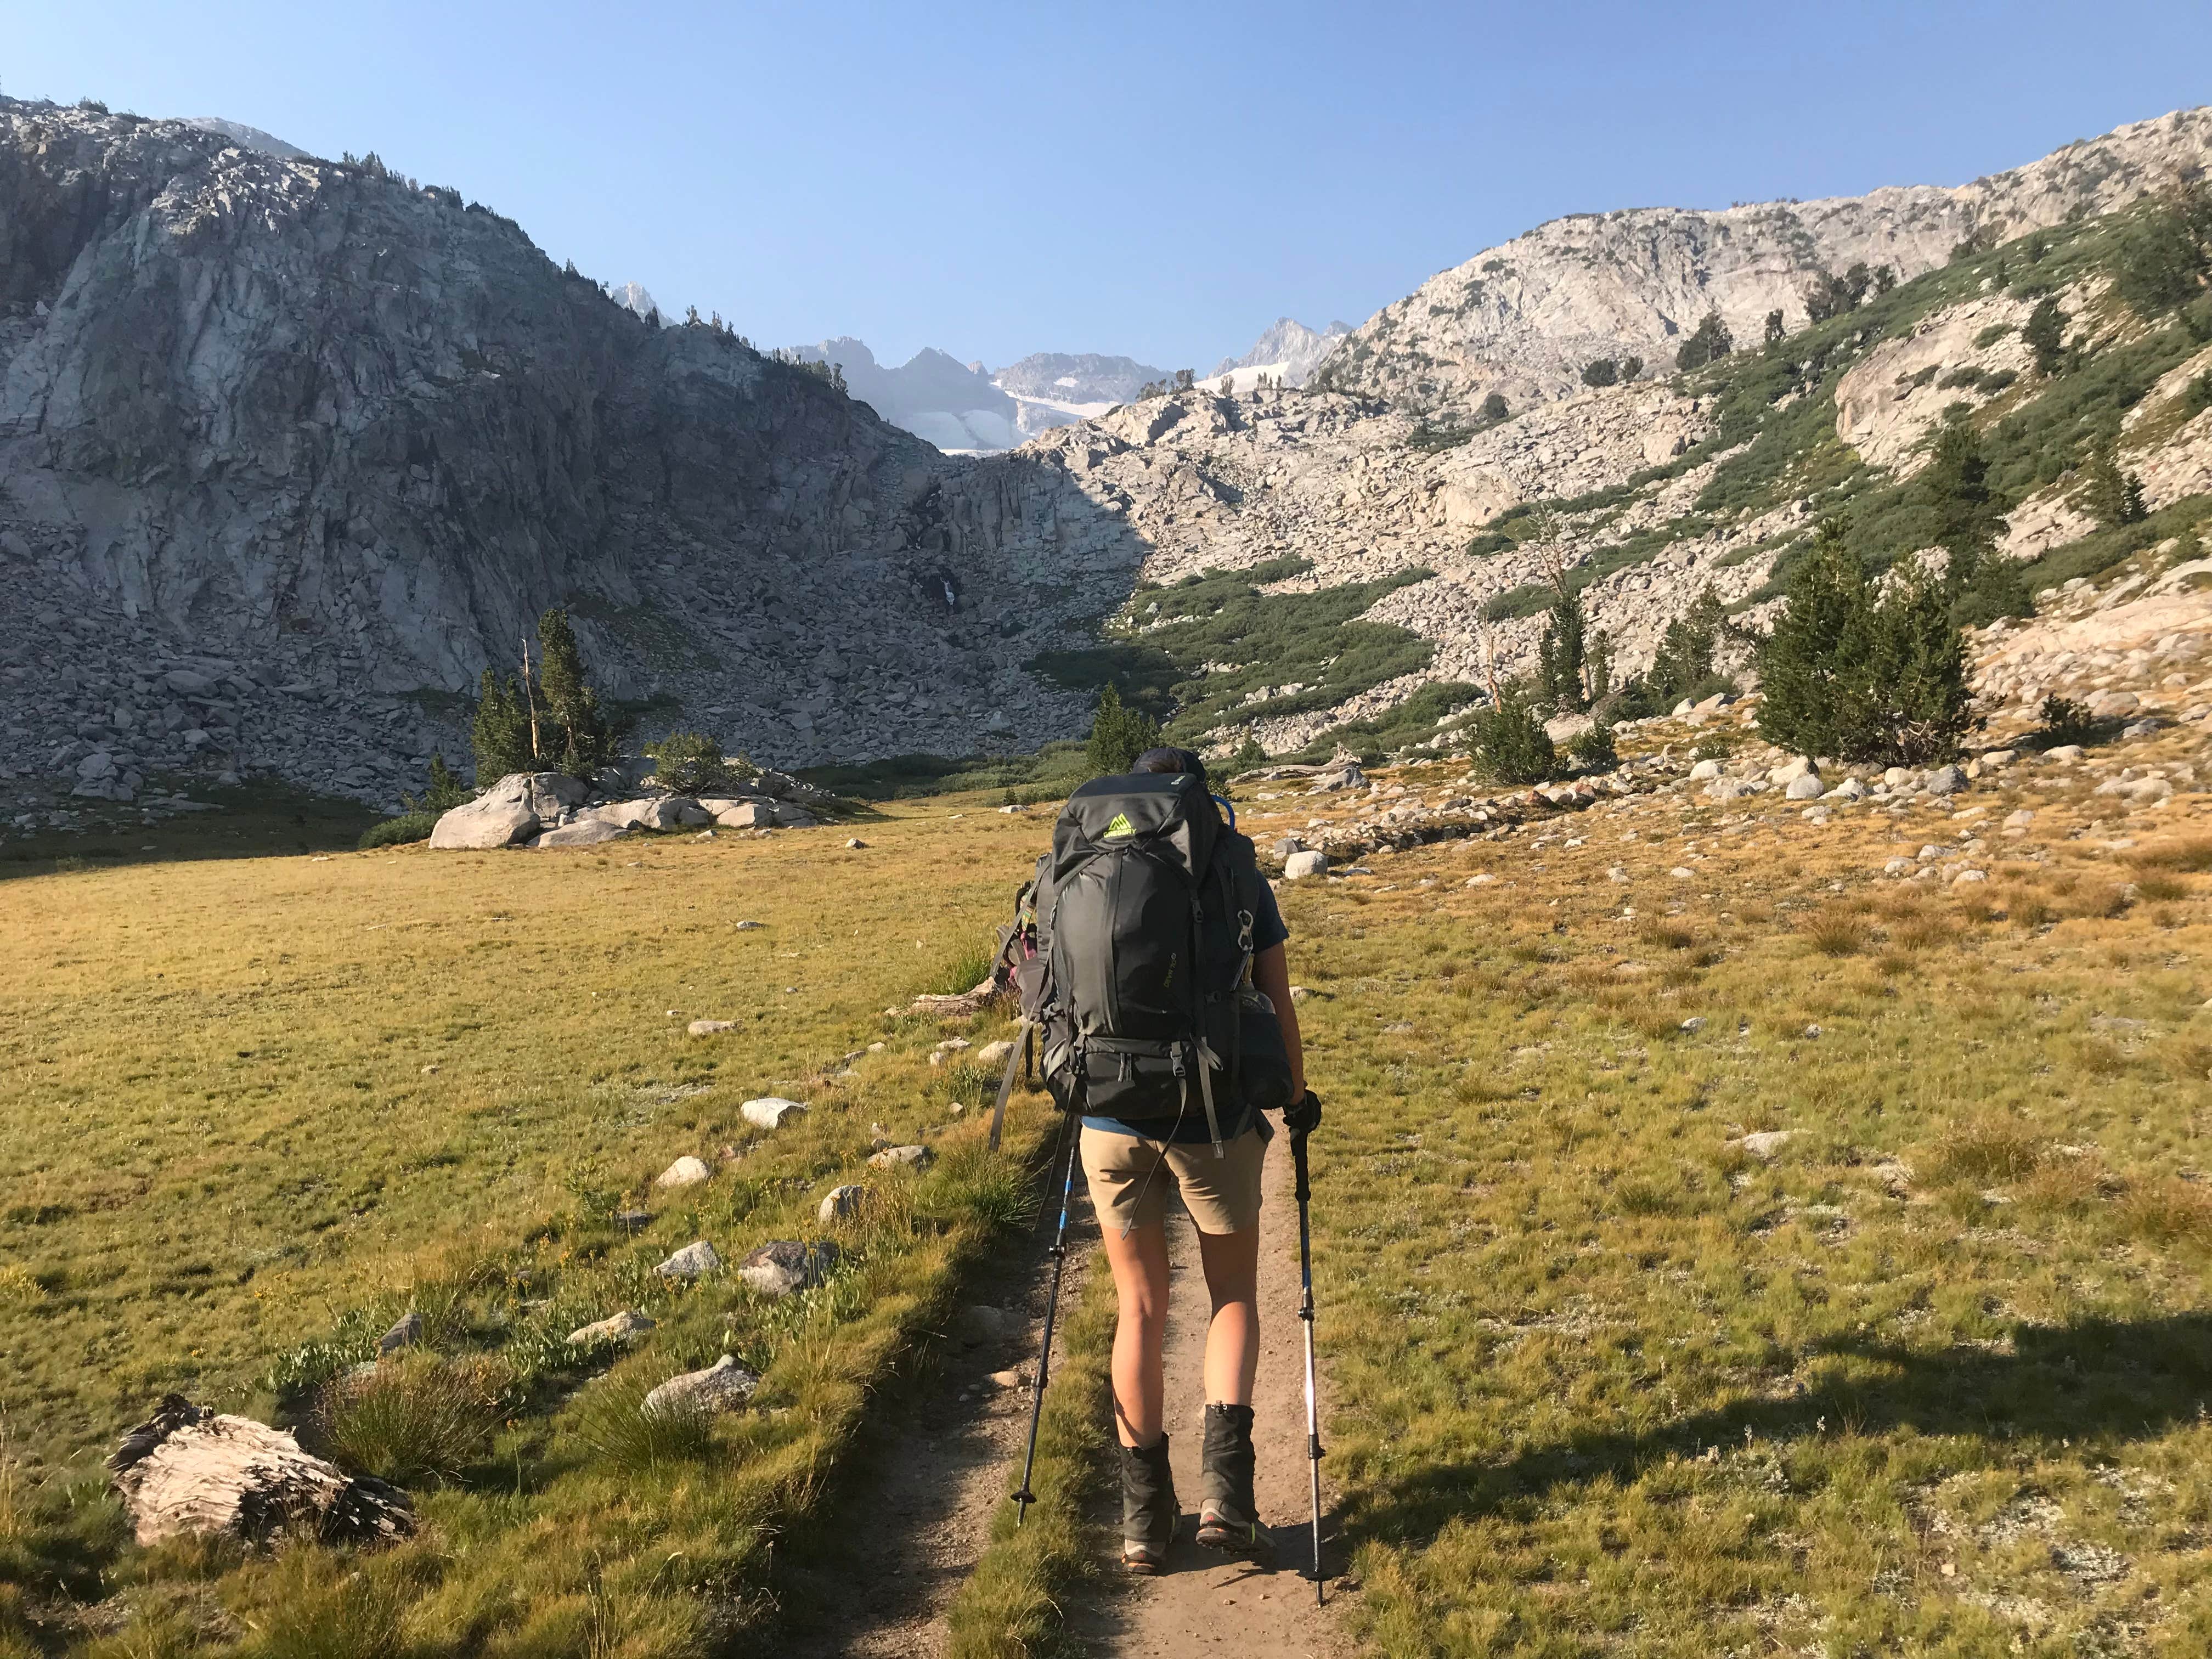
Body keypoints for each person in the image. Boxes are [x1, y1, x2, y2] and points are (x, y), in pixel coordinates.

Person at [1073, 746, 1321, 1572]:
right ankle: (1229, 1502)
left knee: (1139, 1307)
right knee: (1233, 1293)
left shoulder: (1090, 860)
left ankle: (1144, 1522)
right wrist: (1295, 1095)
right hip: (1212, 1112)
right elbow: (1274, 995)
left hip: (1108, 1111)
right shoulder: (1233, 871)